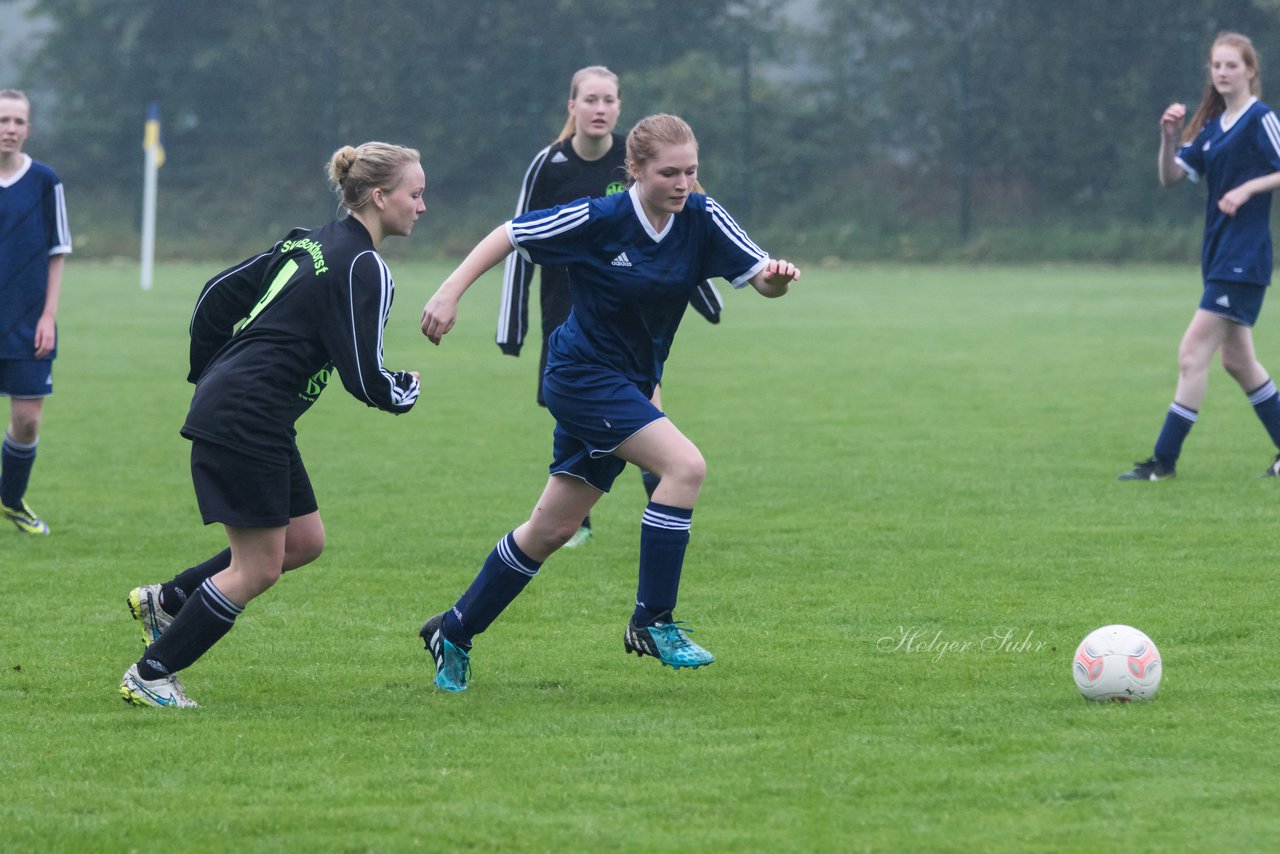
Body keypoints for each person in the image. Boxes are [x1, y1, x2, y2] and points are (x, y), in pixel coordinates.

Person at [418, 114, 799, 692]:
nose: (683, 183)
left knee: (550, 529)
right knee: (684, 466)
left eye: (691, 171)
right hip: (579, 377)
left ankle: (454, 629)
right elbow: (512, 234)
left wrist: (777, 277)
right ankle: (653, 622)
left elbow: (759, 278)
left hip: (628, 384)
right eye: (669, 172)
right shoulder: (601, 217)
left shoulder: (701, 215)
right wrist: (450, 292)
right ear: (635, 172)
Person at [118, 142, 424, 708]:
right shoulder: (364, 266)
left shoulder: (308, 239)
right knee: (257, 568)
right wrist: (401, 390)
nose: (422, 206)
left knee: (302, 542)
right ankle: (152, 673)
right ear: (380, 197)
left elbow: (215, 295)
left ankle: (168, 600)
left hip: (248, 411)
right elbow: (362, 371)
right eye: (415, 193)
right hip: (248, 417)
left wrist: (211, 373)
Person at [497, 66, 724, 547]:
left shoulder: (640, 159)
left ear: (620, 106)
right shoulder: (549, 163)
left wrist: (706, 295)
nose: (600, 109)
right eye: (591, 99)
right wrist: (511, 324)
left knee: (646, 406)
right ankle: (579, 517)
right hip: (567, 310)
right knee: (586, 408)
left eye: (609, 100)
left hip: (631, 310)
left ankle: (661, 500)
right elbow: (518, 234)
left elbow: (679, 235)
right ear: (572, 107)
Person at [1119, 32, 1280, 482]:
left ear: (1250, 70)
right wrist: (1169, 138)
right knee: (1238, 362)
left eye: (1232, 65)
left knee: (1193, 354)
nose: (1223, 73)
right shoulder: (1212, 127)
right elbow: (1171, 177)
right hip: (1218, 256)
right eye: (1216, 66)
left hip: (1243, 259)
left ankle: (1163, 462)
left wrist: (1249, 187)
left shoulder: (1260, 118)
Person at [0, 89, 71, 534]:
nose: (9, 129)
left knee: (26, 420)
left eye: (17, 121)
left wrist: (48, 316)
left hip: (28, 322)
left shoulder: (45, 180)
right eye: (3, 120)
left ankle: (10, 500)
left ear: (29, 128)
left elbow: (57, 250)